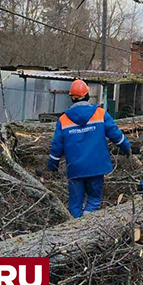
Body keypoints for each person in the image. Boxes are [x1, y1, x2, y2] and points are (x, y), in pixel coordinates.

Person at [47, 79, 131, 218]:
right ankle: (86, 225)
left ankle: (75, 228)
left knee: (75, 205)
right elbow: (115, 134)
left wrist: (52, 166)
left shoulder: (63, 120)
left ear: (71, 98)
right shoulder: (100, 114)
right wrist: (126, 147)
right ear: (87, 95)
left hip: (75, 168)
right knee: (94, 200)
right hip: (96, 167)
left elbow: (56, 146)